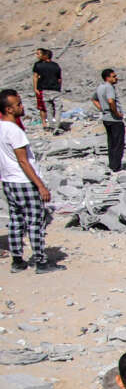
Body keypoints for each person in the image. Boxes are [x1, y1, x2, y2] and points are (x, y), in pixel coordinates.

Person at [0, 89, 58, 274]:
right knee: (35, 222)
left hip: (9, 181)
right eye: (18, 104)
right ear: (9, 109)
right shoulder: (15, 132)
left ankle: (17, 261)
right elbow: (23, 161)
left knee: (16, 221)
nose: (22, 107)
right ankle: (41, 262)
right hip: (24, 181)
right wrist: (40, 185)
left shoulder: (1, 127)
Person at [92, 68, 124, 172]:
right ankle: (116, 166)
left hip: (106, 118)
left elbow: (93, 99)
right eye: (113, 76)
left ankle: (112, 164)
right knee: (118, 143)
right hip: (114, 119)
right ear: (107, 78)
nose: (116, 78)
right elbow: (111, 101)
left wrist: (102, 109)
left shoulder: (100, 87)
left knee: (111, 142)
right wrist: (116, 113)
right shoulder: (109, 87)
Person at [31, 48, 62, 132]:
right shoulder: (56, 65)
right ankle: (56, 125)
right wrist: (59, 87)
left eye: (38, 54)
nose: (37, 56)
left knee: (48, 109)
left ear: (44, 55)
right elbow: (59, 79)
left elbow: (35, 77)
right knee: (57, 108)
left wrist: (35, 88)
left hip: (44, 89)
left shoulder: (38, 65)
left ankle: (51, 125)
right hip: (54, 89)